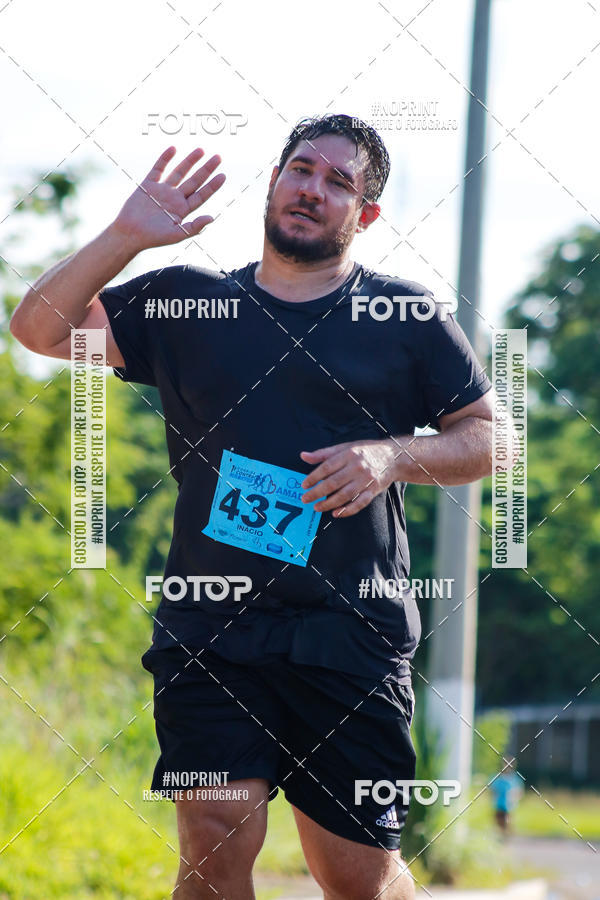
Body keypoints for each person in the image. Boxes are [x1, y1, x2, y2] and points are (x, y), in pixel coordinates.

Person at [11, 114, 495, 900]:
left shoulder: (403, 319)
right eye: (301, 169)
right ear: (274, 183)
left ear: (365, 214)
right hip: (213, 628)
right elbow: (37, 328)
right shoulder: (186, 306)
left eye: (340, 182)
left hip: (350, 632)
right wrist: (126, 234)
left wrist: (390, 456)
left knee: (357, 880)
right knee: (213, 835)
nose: (313, 189)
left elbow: (490, 441)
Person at [491, 759, 522, 836]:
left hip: (509, 804)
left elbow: (518, 791)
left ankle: (506, 834)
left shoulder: (514, 779)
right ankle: (501, 833)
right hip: (498, 803)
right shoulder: (498, 778)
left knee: (507, 820)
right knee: (498, 820)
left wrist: (514, 799)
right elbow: (493, 789)